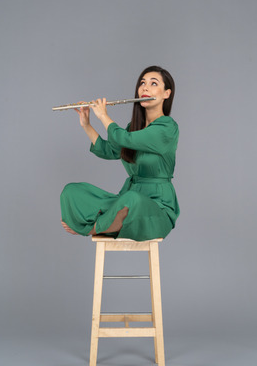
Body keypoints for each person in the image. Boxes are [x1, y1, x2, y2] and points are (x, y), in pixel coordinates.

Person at [60, 65, 180, 241]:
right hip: (127, 198)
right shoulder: (134, 127)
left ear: (166, 93)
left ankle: (93, 228)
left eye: (153, 83)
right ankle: (113, 224)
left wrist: (103, 116)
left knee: (131, 200)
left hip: (157, 209)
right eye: (142, 83)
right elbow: (109, 150)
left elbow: (123, 138)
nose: (145, 87)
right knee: (71, 191)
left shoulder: (167, 127)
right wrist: (86, 124)